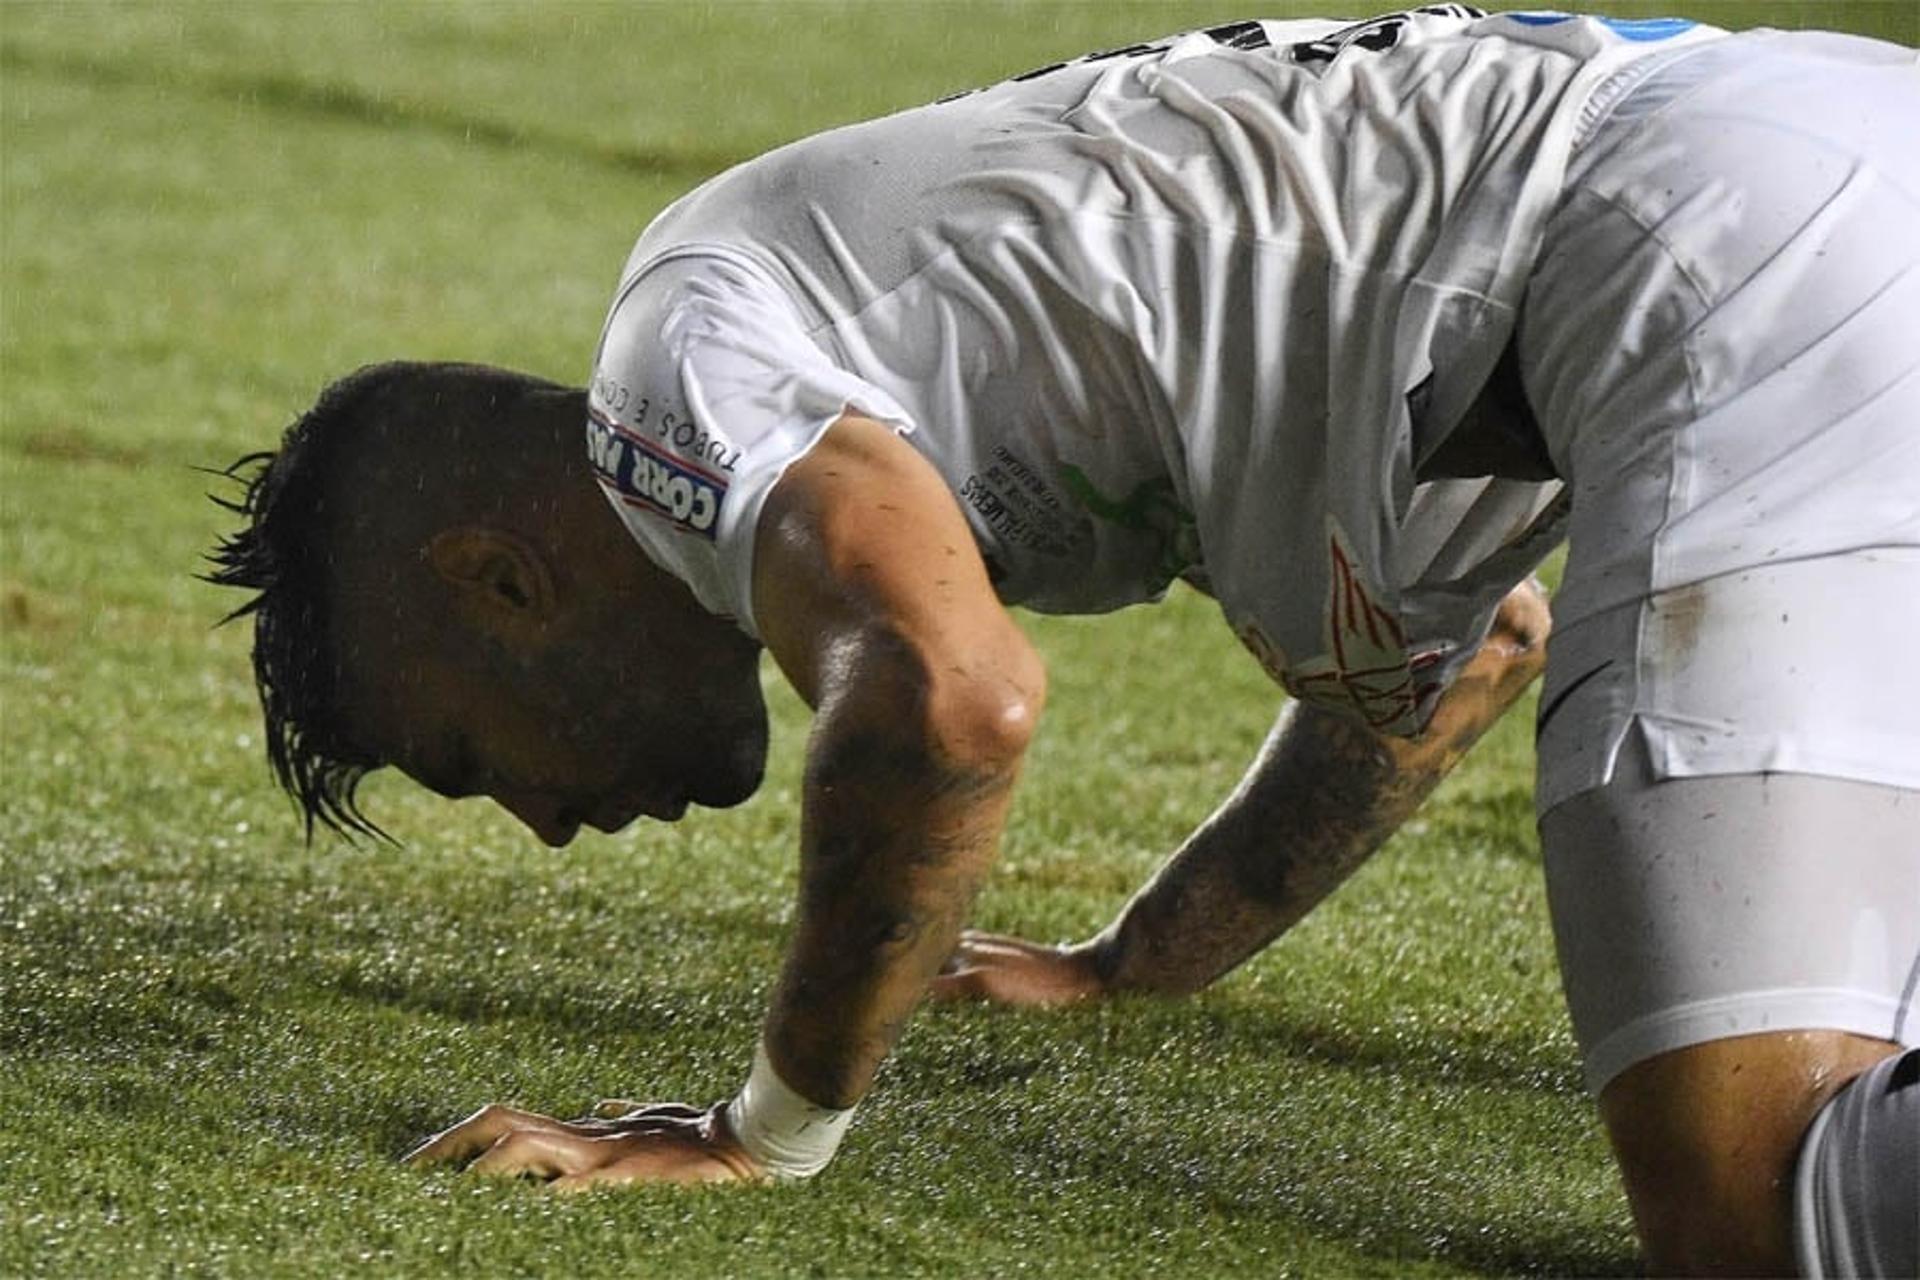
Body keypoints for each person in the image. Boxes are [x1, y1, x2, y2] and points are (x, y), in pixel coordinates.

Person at [208, 8, 1919, 1274]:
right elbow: (1461, 659)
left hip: (1734, 259)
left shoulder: (675, 375)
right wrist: (1138, 958)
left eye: (467, 759)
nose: (541, 822)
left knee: (1764, 1207)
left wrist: (761, 1134)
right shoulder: (928, 347)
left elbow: (951, 701)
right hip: (1821, 146)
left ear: (501, 585)